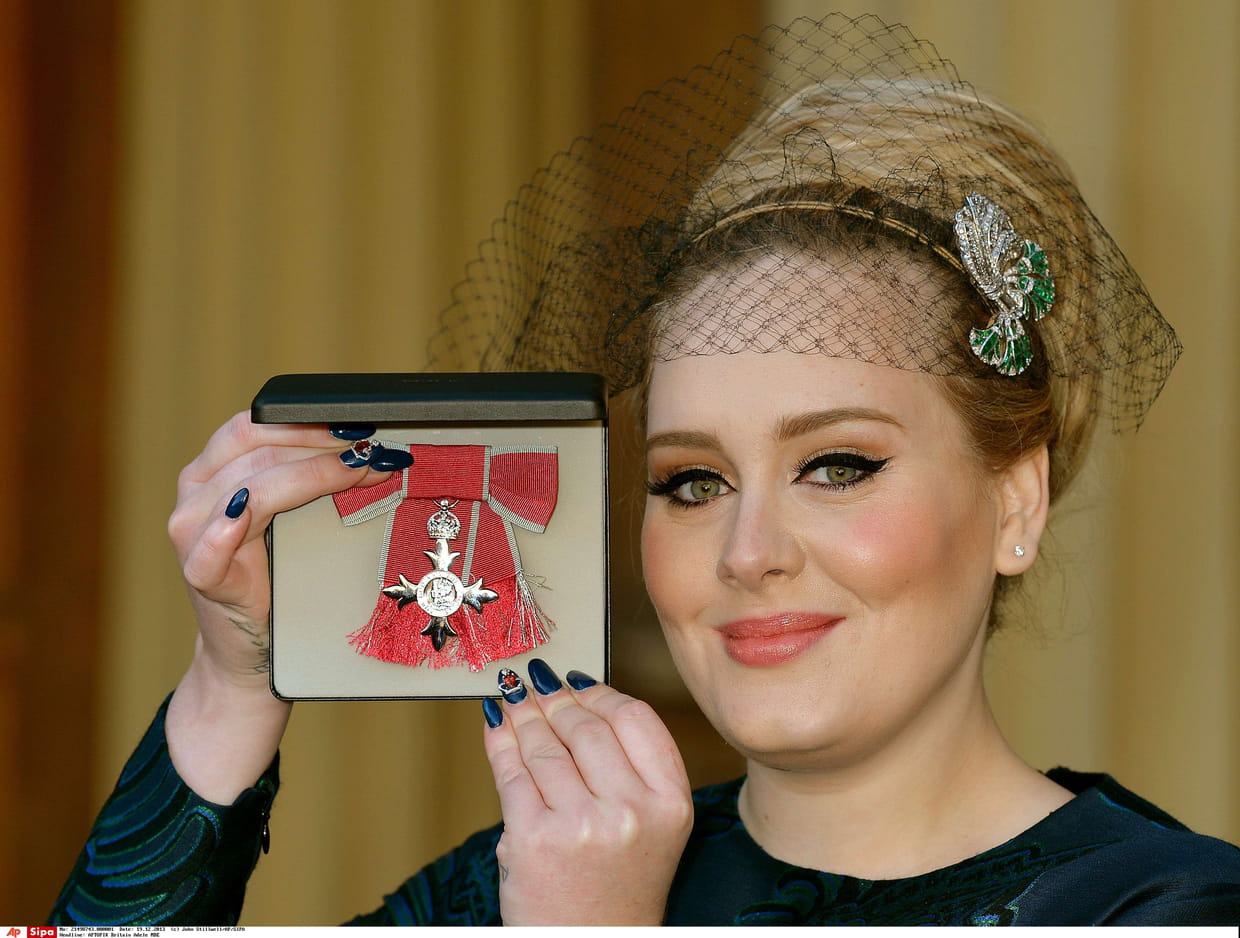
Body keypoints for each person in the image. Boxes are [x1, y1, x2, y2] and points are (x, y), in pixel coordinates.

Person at [51, 14, 1240, 926]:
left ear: (1015, 499)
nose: (746, 551)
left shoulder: (1170, 906)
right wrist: (233, 683)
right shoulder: (526, 873)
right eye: (691, 482)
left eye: (836, 464)